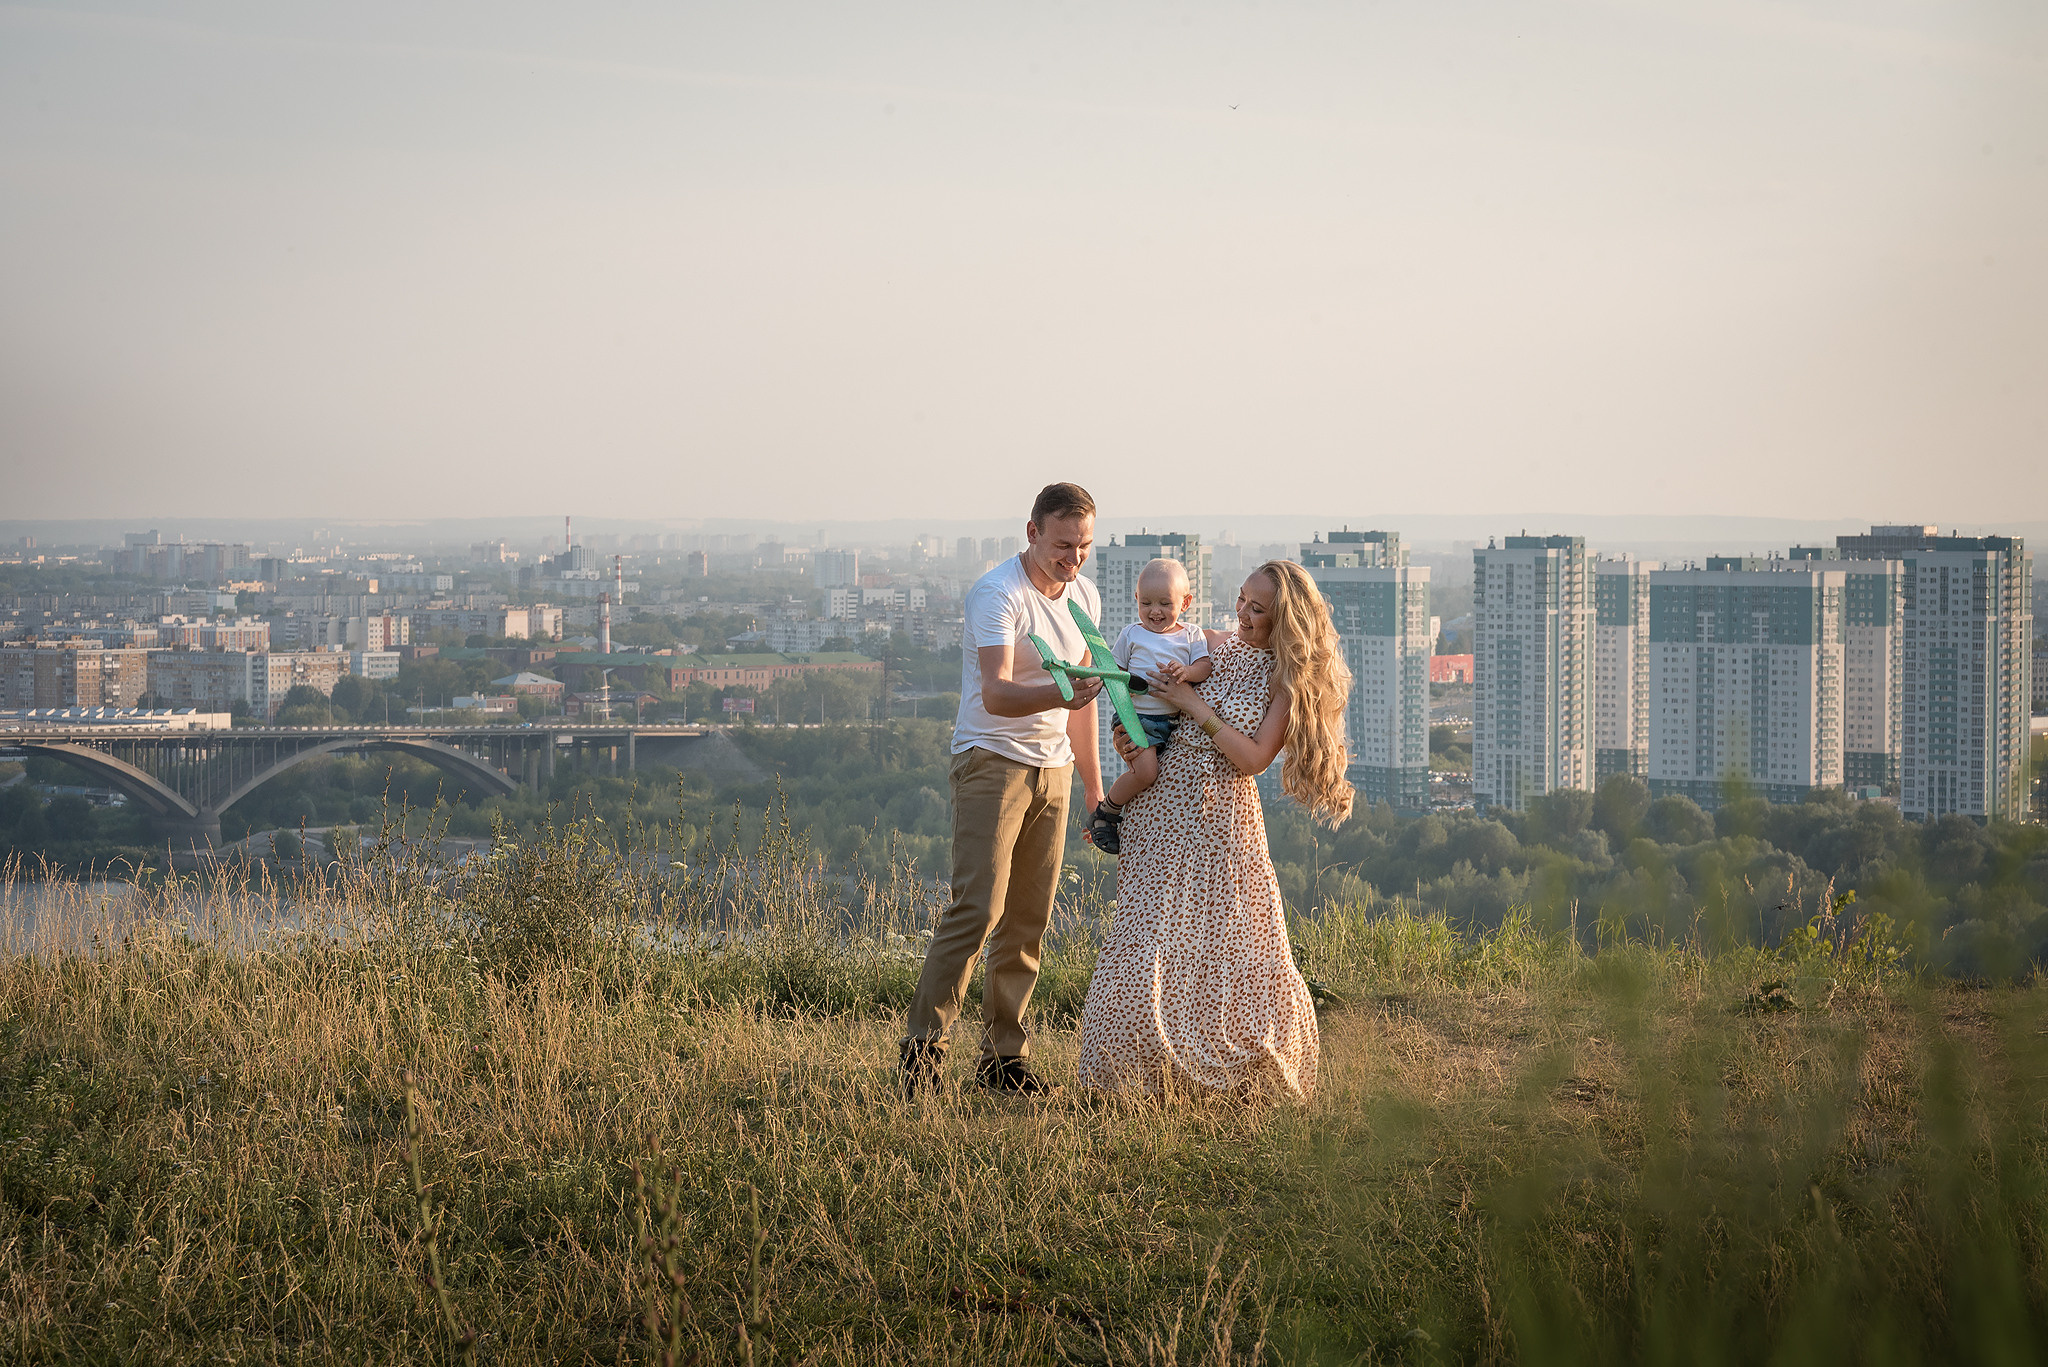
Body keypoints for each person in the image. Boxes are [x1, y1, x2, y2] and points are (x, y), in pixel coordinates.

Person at [1075, 560, 1354, 1101]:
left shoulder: (1286, 682)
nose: (1242, 615)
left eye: (1257, 608)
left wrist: (1195, 706)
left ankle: (1228, 1081)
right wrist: (1130, 740)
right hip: (1157, 811)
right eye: (1241, 600)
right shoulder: (1213, 644)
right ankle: (1130, 1079)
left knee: (1230, 943)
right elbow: (1151, 698)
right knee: (1145, 937)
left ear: (1287, 619)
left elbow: (1252, 758)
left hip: (1222, 821)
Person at [900, 482, 1106, 1097]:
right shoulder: (997, 594)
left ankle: (1003, 1060)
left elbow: (1088, 707)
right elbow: (997, 691)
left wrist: (1095, 792)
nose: (1074, 559)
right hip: (991, 760)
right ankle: (923, 1056)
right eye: (1064, 545)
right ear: (1032, 533)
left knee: (1028, 919)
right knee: (977, 910)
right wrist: (1066, 691)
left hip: (1056, 768)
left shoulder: (1083, 596)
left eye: (1086, 546)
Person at [1085, 558, 1212, 856]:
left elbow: (1204, 666)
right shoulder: (1131, 633)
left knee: (1167, 780)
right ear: (1136, 600)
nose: (1155, 611)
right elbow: (1112, 668)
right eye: (1147, 603)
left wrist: (1187, 672)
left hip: (1173, 725)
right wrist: (1100, 680)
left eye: (1165, 603)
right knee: (1146, 774)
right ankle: (1107, 812)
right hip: (1137, 718)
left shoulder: (1191, 634)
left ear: (1186, 602)